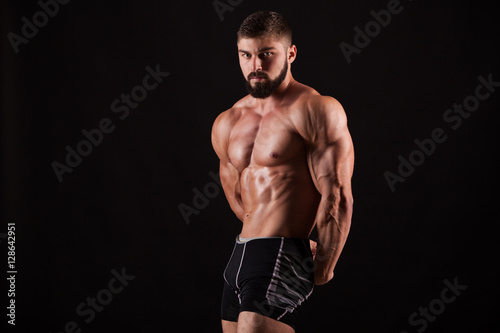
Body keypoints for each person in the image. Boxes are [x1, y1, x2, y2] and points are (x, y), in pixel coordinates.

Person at [211, 10, 354, 333]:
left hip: (283, 251)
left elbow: (338, 195)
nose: (255, 65)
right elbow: (239, 196)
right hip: (241, 252)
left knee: (254, 329)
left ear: (290, 53)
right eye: (246, 55)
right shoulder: (228, 121)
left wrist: (324, 269)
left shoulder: (316, 110)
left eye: (266, 55)